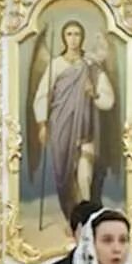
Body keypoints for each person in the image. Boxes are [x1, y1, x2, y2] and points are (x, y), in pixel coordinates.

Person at [30, 20, 116, 223]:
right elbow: (42, 96)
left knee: (85, 172)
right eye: (69, 34)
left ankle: (86, 215)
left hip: (86, 126)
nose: (73, 38)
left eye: (77, 34)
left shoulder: (91, 65)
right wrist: (42, 124)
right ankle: (70, 214)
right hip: (61, 125)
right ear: (63, 37)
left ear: (82, 37)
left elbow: (108, 99)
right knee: (64, 174)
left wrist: (93, 93)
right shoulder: (56, 65)